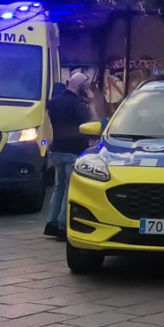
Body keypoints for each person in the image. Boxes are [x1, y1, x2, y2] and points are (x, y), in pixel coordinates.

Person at [44, 72, 94, 239]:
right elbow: (92, 124)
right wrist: (91, 104)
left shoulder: (54, 102)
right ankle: (63, 226)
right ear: (82, 89)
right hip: (73, 151)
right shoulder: (78, 105)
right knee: (69, 189)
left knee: (58, 187)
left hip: (57, 150)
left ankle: (51, 222)